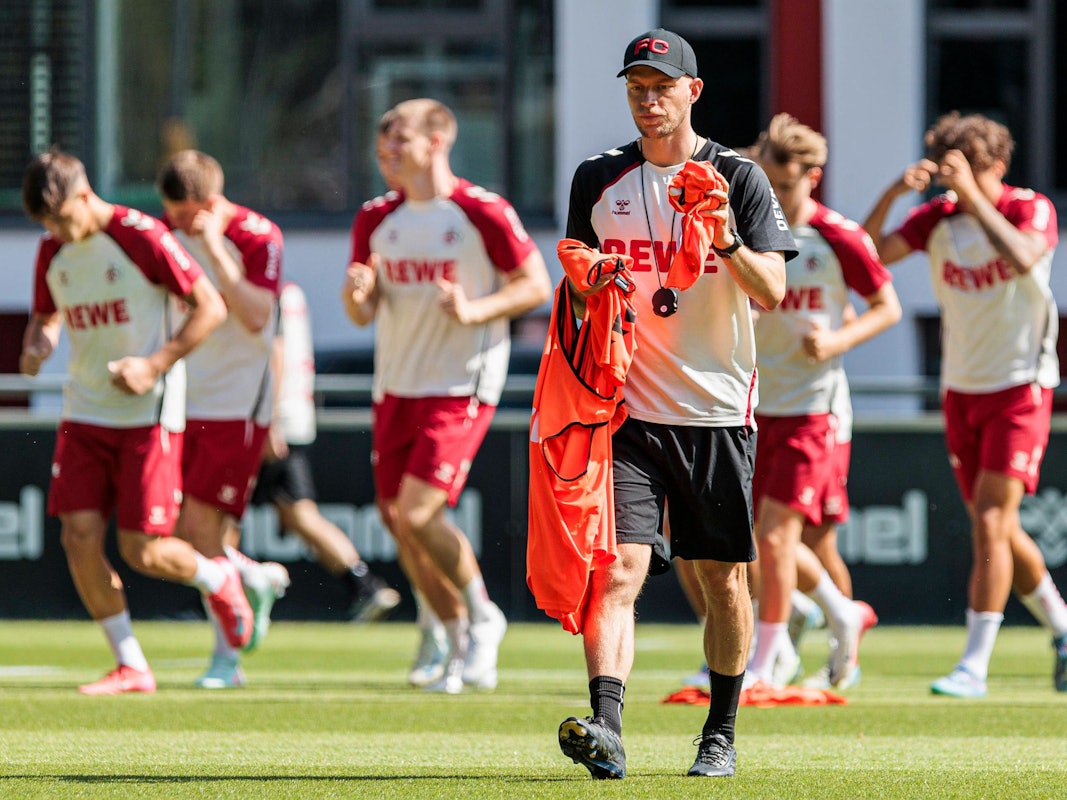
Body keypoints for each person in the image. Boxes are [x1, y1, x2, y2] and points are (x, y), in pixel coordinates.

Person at [554, 30, 794, 779]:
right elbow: (575, 279)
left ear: (693, 91)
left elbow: (773, 291)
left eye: (662, 87)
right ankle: (606, 726)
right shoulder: (598, 177)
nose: (648, 100)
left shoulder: (737, 176)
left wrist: (725, 240)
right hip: (624, 411)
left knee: (723, 579)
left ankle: (720, 733)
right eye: (637, 88)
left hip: (715, 410)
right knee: (616, 571)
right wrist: (588, 281)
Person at [19, 149, 251, 695]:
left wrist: (153, 364)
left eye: (61, 219)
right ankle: (131, 664)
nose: (56, 232)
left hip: (148, 416)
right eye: (46, 224)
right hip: (84, 411)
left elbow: (211, 306)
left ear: (84, 195)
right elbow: (45, 317)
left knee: (142, 549)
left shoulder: (141, 236)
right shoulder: (52, 249)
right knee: (77, 537)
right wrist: (38, 344)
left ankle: (219, 576)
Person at [342, 98, 552, 693]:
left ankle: (483, 618)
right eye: (381, 143)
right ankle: (451, 632)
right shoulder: (375, 217)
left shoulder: (481, 210)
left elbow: (535, 285)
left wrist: (474, 310)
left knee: (417, 513)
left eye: (399, 140)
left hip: (461, 382)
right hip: (396, 385)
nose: (387, 152)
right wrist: (358, 295)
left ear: (437, 142)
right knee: (398, 520)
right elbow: (361, 313)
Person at [863, 111, 1067, 697]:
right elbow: (868, 254)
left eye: (974, 167)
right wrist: (894, 193)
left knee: (992, 522)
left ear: (998, 166)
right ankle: (1062, 626)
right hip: (961, 387)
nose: (960, 179)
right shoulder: (938, 218)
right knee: (994, 525)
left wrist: (973, 196)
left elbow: (1025, 256)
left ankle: (974, 666)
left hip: (1021, 385)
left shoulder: (1029, 208)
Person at [745, 113, 900, 690]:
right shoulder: (746, 233)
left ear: (812, 177)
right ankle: (842, 615)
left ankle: (766, 662)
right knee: (774, 540)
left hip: (814, 409)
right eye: (767, 184)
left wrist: (837, 340)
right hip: (754, 406)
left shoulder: (838, 237)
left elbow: (887, 307)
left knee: (780, 538)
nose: (774, 197)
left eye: (785, 186)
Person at [158, 150, 288, 689]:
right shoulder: (164, 233)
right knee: (175, 532)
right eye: (173, 214)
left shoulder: (257, 236)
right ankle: (252, 576)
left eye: (187, 214)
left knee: (202, 530)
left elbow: (257, 315)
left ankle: (225, 661)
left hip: (235, 402)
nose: (179, 224)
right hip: (177, 400)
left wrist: (213, 246)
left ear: (211, 202)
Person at [248, 280, 401, 622]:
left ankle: (219, 594)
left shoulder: (268, 291)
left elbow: (274, 353)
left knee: (227, 514)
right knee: (293, 514)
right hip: (288, 417)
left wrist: (269, 420)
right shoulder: (288, 291)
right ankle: (364, 585)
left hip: (273, 421)